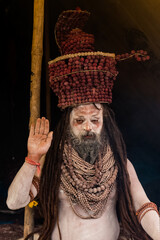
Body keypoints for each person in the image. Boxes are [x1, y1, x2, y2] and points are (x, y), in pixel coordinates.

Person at [6, 9, 159, 240]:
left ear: (104, 123)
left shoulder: (119, 161)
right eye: (79, 120)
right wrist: (32, 159)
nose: (88, 126)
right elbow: (14, 202)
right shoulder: (53, 161)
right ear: (68, 124)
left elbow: (143, 206)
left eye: (94, 120)